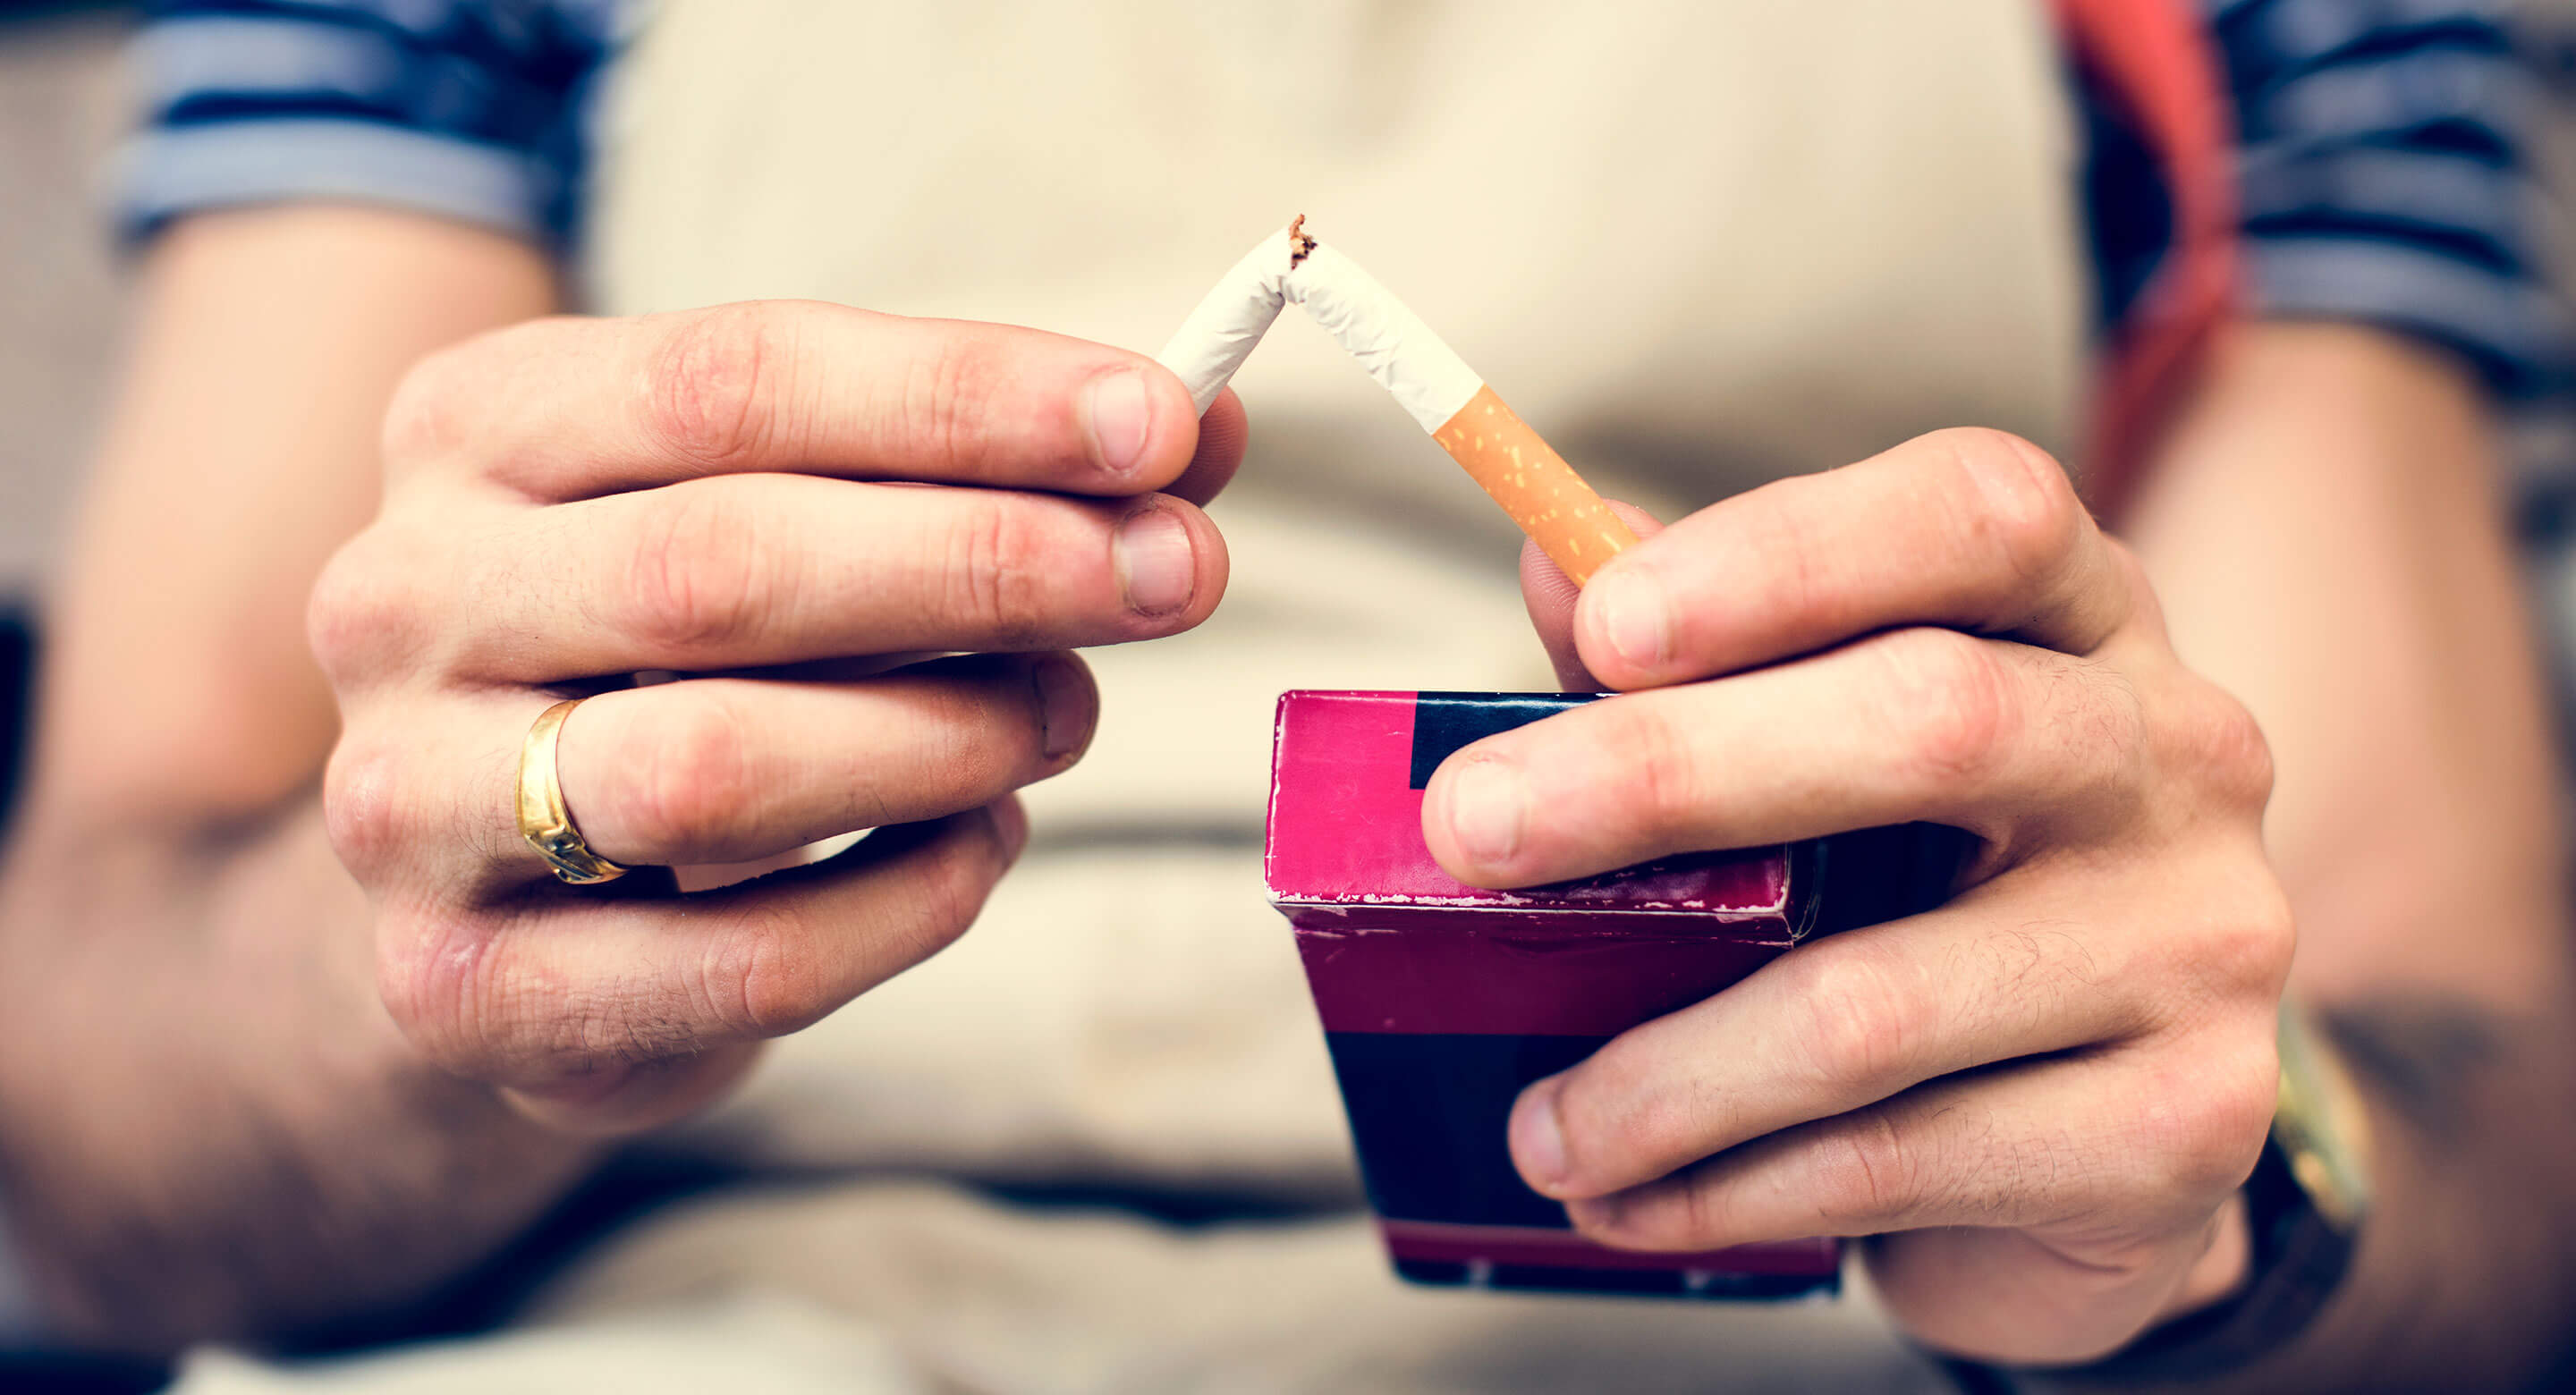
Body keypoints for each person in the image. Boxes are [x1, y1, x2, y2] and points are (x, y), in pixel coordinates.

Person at [4, 0, 2574, 1389]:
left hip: (1798, 1327)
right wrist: (442, 968)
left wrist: (2230, 1178)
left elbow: (2492, 1162)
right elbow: (83, 1135)